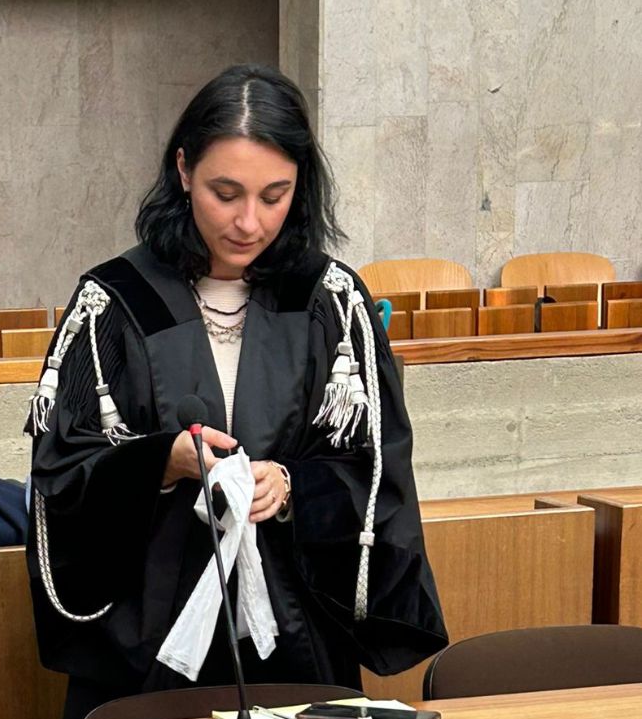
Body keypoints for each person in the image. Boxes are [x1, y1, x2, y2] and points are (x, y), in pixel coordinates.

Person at [25, 65, 448, 719]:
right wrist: (160, 462)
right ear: (184, 168)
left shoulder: (330, 303)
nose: (249, 222)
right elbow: (60, 474)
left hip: (295, 631)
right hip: (148, 649)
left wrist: (288, 485)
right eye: (226, 192)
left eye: (274, 195)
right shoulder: (111, 303)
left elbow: (374, 469)